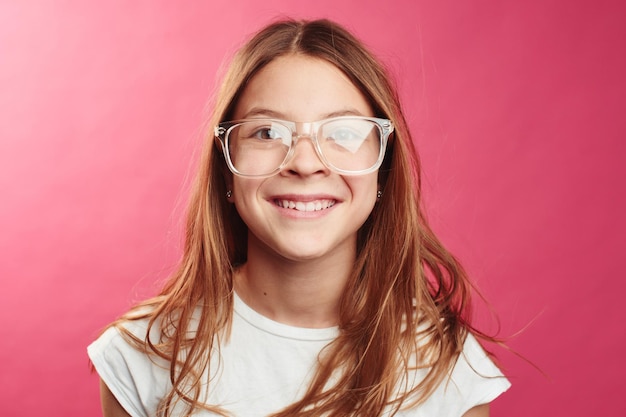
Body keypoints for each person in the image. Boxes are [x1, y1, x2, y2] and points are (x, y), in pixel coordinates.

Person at [88, 18, 510, 417]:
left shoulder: (450, 373)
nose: (306, 163)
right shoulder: (142, 356)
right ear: (226, 169)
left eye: (343, 132)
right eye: (267, 132)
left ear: (383, 168)